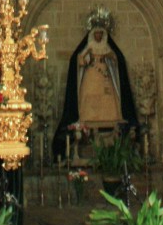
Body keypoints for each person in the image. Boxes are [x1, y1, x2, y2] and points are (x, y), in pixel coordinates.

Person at [53, 12, 139, 158]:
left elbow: (117, 60)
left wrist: (109, 57)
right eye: (96, 34)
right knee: (89, 98)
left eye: (101, 34)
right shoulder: (89, 47)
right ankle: (88, 118)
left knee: (109, 101)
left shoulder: (107, 48)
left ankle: (110, 118)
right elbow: (79, 61)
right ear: (92, 35)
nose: (98, 36)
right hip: (91, 78)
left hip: (105, 79)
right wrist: (87, 59)